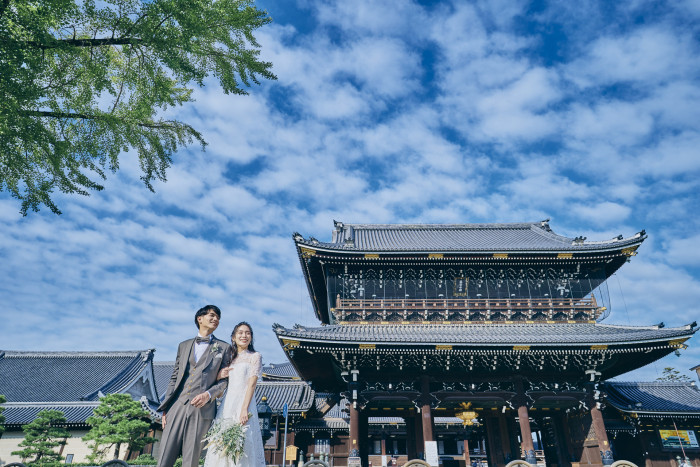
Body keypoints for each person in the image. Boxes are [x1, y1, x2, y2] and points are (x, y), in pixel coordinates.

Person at [157, 305, 232, 467]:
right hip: (177, 404)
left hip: (202, 408)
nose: (216, 319)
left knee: (191, 460)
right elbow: (174, 377)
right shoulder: (183, 346)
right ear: (200, 319)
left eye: (218, 317)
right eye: (212, 315)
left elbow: (224, 381)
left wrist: (208, 395)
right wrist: (166, 408)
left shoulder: (224, 348)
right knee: (164, 456)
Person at [204, 321, 265, 467]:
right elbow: (220, 391)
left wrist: (244, 408)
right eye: (240, 332)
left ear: (251, 337)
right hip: (227, 404)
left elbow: (251, 384)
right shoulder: (229, 358)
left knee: (243, 443)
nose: (244, 335)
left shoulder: (255, 356)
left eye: (248, 333)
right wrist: (219, 376)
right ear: (233, 337)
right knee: (221, 443)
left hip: (245, 403)